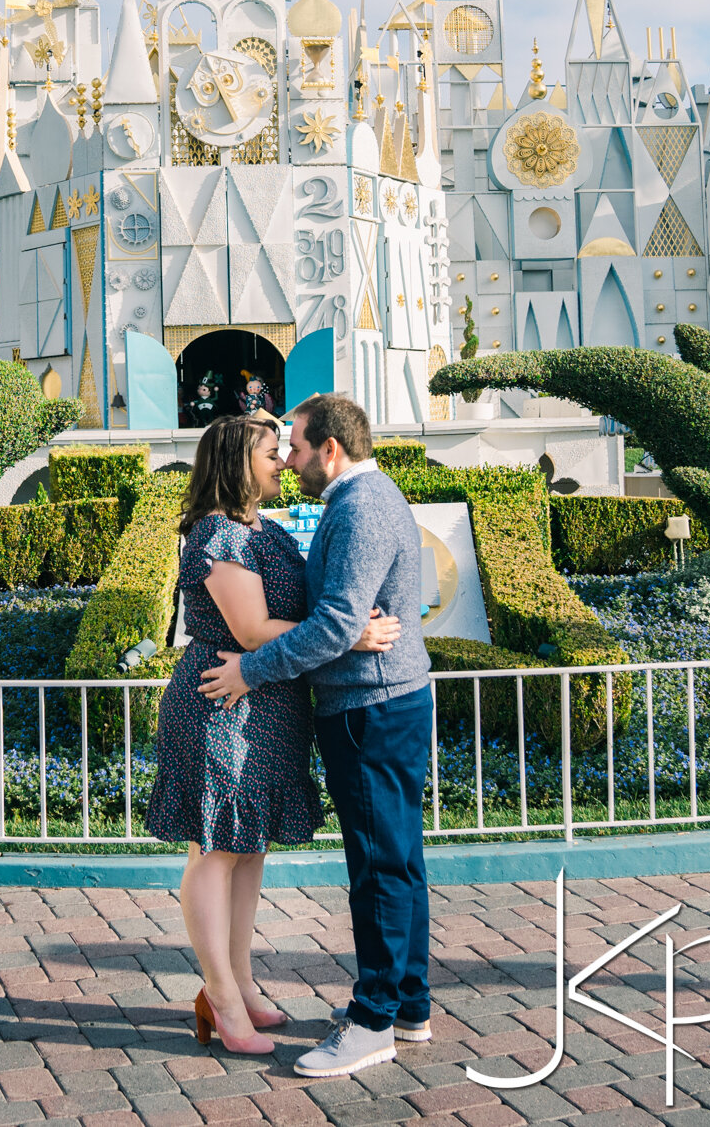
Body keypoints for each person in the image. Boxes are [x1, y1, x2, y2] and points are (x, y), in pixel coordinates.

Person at [146, 416, 405, 1057]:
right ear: (238, 463)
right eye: (271, 453)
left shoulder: (263, 529)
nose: (283, 462)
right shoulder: (217, 533)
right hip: (222, 706)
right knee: (214, 850)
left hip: (264, 709)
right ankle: (221, 995)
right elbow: (254, 628)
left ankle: (238, 982)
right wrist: (351, 633)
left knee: (247, 847)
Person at [200, 393, 434, 1079]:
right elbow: (343, 622)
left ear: (331, 447)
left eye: (296, 445)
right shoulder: (360, 501)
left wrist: (250, 668)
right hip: (383, 700)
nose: (289, 457)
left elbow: (335, 624)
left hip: (372, 706)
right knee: (398, 859)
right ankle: (408, 1004)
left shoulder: (359, 507)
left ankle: (374, 1020)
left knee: (379, 866)